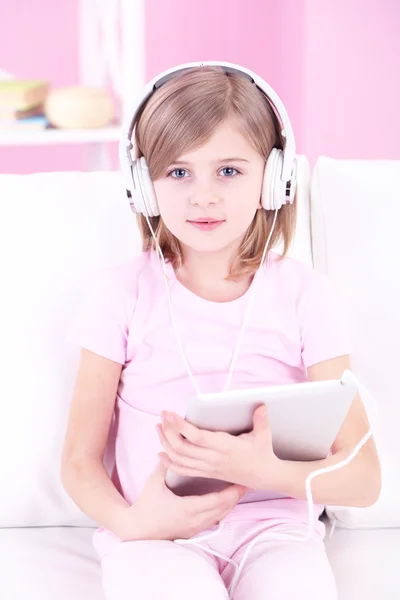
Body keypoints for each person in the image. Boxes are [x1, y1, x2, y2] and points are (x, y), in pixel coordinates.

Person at [61, 63, 381, 600]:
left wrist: (259, 468)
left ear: (274, 179)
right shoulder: (121, 294)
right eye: (178, 173)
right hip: (156, 533)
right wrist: (135, 524)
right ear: (143, 185)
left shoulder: (307, 296)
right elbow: (78, 461)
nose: (202, 196)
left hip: (276, 530)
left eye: (229, 171)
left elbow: (363, 480)